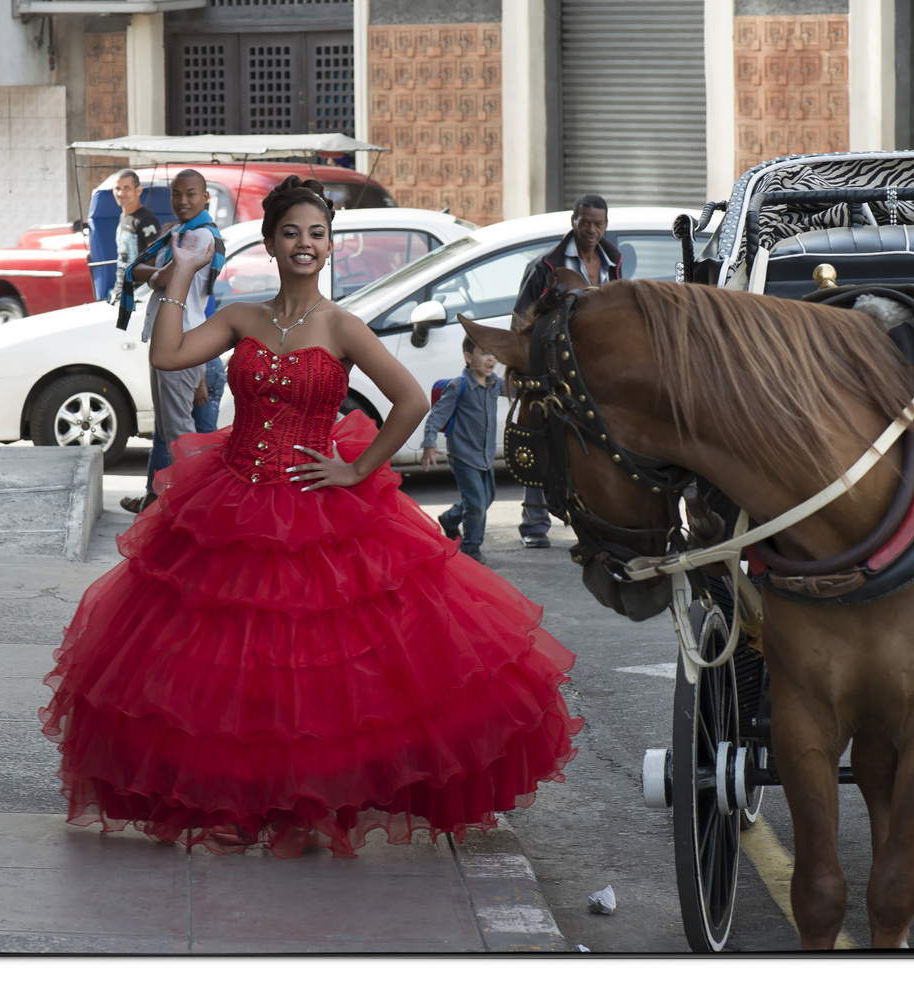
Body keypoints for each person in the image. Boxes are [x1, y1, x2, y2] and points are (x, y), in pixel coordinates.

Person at [40, 175, 581, 859]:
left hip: (315, 510)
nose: (305, 243)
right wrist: (179, 272)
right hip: (230, 501)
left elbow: (411, 401)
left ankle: (308, 805)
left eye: (317, 234)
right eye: (291, 232)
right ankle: (232, 802)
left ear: (328, 248)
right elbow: (167, 354)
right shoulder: (241, 316)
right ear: (269, 243)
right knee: (229, 674)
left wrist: (356, 469)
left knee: (314, 679)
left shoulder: (344, 326)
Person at [510, 194, 623, 548]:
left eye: (598, 224)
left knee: (592, 443)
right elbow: (521, 319)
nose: (591, 230)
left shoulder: (612, 261)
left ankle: (589, 520)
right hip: (552, 364)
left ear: (606, 225)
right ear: (573, 221)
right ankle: (534, 525)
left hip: (596, 366)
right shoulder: (546, 266)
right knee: (543, 436)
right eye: (585, 222)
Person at [117, 170, 224, 514]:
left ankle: (196, 507)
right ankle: (166, 503)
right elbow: (140, 273)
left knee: (181, 435)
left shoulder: (199, 238)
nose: (182, 201)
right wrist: (150, 273)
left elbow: (160, 279)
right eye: (177, 195)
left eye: (191, 194)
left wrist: (150, 274)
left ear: (206, 198)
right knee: (166, 432)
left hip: (182, 341)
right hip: (169, 340)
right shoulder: (180, 233)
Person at [420, 336, 502, 565]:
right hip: (463, 455)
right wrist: (429, 443)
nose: (491, 358)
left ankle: (449, 518)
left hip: (485, 455)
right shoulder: (459, 385)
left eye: (493, 353)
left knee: (486, 499)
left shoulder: (495, 383)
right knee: (476, 503)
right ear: (468, 357)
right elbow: (436, 416)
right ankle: (471, 547)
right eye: (485, 353)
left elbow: (518, 386)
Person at [107, 169, 160, 303]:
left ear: (138, 191)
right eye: (117, 188)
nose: (121, 193)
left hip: (138, 295)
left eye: (126, 188)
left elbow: (157, 258)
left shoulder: (146, 219)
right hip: (120, 290)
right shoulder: (124, 217)